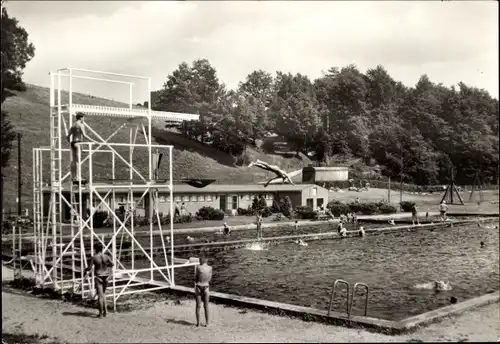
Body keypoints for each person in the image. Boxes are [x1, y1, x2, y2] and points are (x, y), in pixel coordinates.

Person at [83, 243, 113, 318]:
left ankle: (101, 314)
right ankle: (105, 312)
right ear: (102, 249)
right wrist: (109, 273)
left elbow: (89, 268)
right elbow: (112, 264)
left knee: (100, 296)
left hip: (99, 276)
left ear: (95, 248)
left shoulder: (94, 257)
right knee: (103, 294)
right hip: (106, 276)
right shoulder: (106, 256)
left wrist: (85, 269)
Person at [66, 112, 96, 182]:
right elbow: (84, 136)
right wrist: (94, 141)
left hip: (73, 143)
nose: (84, 119)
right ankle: (77, 177)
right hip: (78, 143)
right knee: (77, 161)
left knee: (74, 161)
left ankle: (73, 176)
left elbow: (68, 136)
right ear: (81, 117)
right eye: (83, 117)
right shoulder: (80, 125)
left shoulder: (73, 125)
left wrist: (70, 142)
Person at [194, 256, 212, 327]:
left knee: (198, 306)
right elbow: (209, 279)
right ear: (207, 261)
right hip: (206, 287)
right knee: (206, 306)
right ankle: (207, 323)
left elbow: (196, 278)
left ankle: (198, 323)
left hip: (199, 286)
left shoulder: (198, 267)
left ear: (201, 260)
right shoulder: (210, 268)